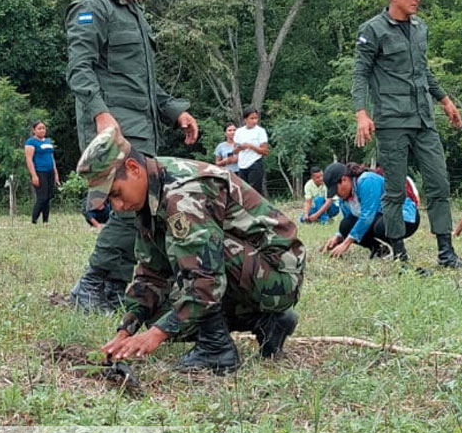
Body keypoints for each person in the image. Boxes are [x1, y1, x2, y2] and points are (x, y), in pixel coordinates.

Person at [78, 127, 303, 374]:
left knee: (187, 261)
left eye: (116, 194)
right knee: (159, 308)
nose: (117, 206)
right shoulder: (149, 197)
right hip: (249, 270)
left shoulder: (182, 194)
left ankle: (216, 349)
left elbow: (205, 278)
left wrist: (156, 335)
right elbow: (150, 274)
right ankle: (267, 322)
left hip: (277, 271)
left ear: (133, 168)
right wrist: (126, 329)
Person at [65, 0, 200, 312]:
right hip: (113, 129)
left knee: (144, 209)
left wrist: (175, 111)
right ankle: (93, 283)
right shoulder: (92, 8)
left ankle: (114, 288)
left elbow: (143, 83)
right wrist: (102, 116)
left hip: (141, 124)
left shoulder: (135, 13)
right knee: (132, 207)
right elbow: (80, 70)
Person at [352, 0, 462, 269]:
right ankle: (401, 257)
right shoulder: (373, 30)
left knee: (439, 183)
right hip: (391, 122)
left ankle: (447, 253)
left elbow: (423, 70)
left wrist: (444, 100)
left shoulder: (420, 28)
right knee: (394, 190)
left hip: (424, 120)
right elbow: (360, 74)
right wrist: (361, 113)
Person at [318, 161, 418, 258]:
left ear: (344, 179)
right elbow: (350, 221)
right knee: (345, 226)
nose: (337, 194)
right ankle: (380, 250)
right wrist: (338, 236)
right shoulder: (344, 198)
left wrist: (346, 244)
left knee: (381, 226)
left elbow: (367, 216)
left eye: (336, 189)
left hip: (405, 218)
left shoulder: (367, 181)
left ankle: (399, 251)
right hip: (379, 218)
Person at [24, 121, 59, 225]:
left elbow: (52, 158)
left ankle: (45, 221)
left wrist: (56, 173)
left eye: (43, 128)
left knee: (48, 197)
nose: (42, 130)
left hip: (50, 171)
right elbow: (29, 159)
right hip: (40, 171)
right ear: (34, 130)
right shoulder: (31, 142)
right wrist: (34, 175)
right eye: (39, 128)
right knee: (42, 197)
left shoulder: (47, 141)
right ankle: (34, 220)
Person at [233, 107, 269, 193]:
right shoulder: (239, 131)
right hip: (242, 165)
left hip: (255, 164)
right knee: (243, 191)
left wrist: (251, 146)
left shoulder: (260, 131)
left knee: (254, 191)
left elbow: (265, 151)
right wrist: (241, 147)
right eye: (252, 118)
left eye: (256, 118)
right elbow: (234, 150)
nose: (254, 121)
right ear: (245, 119)